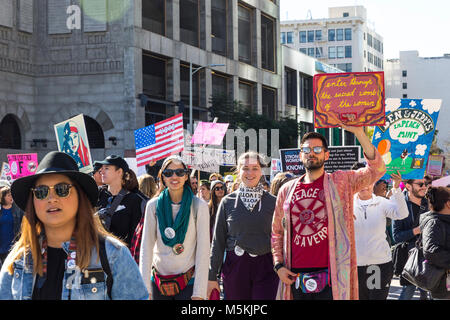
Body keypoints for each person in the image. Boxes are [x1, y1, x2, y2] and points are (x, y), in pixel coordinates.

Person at [0, 151, 148, 300]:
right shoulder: (18, 259)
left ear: (80, 196)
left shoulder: (113, 255)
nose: (51, 198)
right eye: (41, 192)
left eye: (62, 189)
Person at [272, 126, 386, 301]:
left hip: (333, 275)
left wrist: (358, 133)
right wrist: (278, 265)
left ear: (326, 155)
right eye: (306, 150)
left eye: (317, 149)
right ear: (300, 155)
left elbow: (376, 169)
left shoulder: (341, 181)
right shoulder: (286, 190)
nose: (312, 153)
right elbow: (277, 232)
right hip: (294, 276)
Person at [208, 151, 279, 300]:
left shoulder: (273, 202)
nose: (250, 173)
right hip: (236, 266)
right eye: (245, 168)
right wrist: (211, 275)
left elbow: (281, 237)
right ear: (238, 170)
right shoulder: (227, 202)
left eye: (255, 168)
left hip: (267, 267)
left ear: (261, 171)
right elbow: (218, 242)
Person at [139, 156, 210, 300]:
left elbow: (203, 251)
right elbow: (146, 248)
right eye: (168, 173)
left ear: (186, 177)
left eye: (179, 172)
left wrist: (199, 292)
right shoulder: (153, 206)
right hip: (158, 283)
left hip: (188, 282)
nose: (174, 176)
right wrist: (145, 288)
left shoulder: (199, 206)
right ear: (162, 177)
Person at [351, 164, 409, 300]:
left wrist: (396, 188)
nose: (365, 186)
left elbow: (402, 213)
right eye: (361, 181)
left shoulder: (382, 203)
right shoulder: (346, 204)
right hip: (354, 266)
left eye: (368, 182)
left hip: (378, 265)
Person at [392, 178, 430, 300]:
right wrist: (417, 230)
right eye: (420, 184)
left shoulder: (430, 203)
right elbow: (396, 236)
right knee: (408, 290)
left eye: (425, 184)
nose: (424, 187)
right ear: (408, 186)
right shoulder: (399, 205)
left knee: (430, 292)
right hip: (409, 258)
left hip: (429, 256)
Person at [96, 155, 146, 248]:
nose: (101, 172)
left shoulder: (135, 200)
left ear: (119, 172)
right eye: (101, 168)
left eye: (106, 168)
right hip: (97, 255)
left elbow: (135, 236)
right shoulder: (97, 195)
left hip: (121, 256)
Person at [420, 186, 450, 300]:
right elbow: (431, 251)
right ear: (448, 203)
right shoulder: (434, 222)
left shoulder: (444, 220)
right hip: (443, 286)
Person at [0, 187, 24, 266]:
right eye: (9, 195)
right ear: (3, 197)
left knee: (11, 268)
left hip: (14, 245)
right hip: (2, 245)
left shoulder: (18, 209)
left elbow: (24, 225)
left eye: (12, 195)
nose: (11, 197)